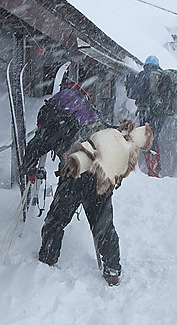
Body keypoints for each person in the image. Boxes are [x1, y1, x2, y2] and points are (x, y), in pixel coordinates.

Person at [20, 83, 123, 286]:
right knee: (102, 223)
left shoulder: (57, 116)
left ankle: (46, 264)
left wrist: (29, 169)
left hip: (76, 173)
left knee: (56, 221)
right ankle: (112, 270)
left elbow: (36, 145)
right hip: (103, 169)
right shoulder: (91, 114)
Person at [125, 55, 177, 177]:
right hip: (161, 112)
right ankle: (155, 167)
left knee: (147, 139)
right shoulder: (162, 76)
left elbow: (133, 93)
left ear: (146, 65)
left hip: (148, 111)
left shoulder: (145, 75)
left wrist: (130, 80)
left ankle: (151, 169)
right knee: (154, 137)